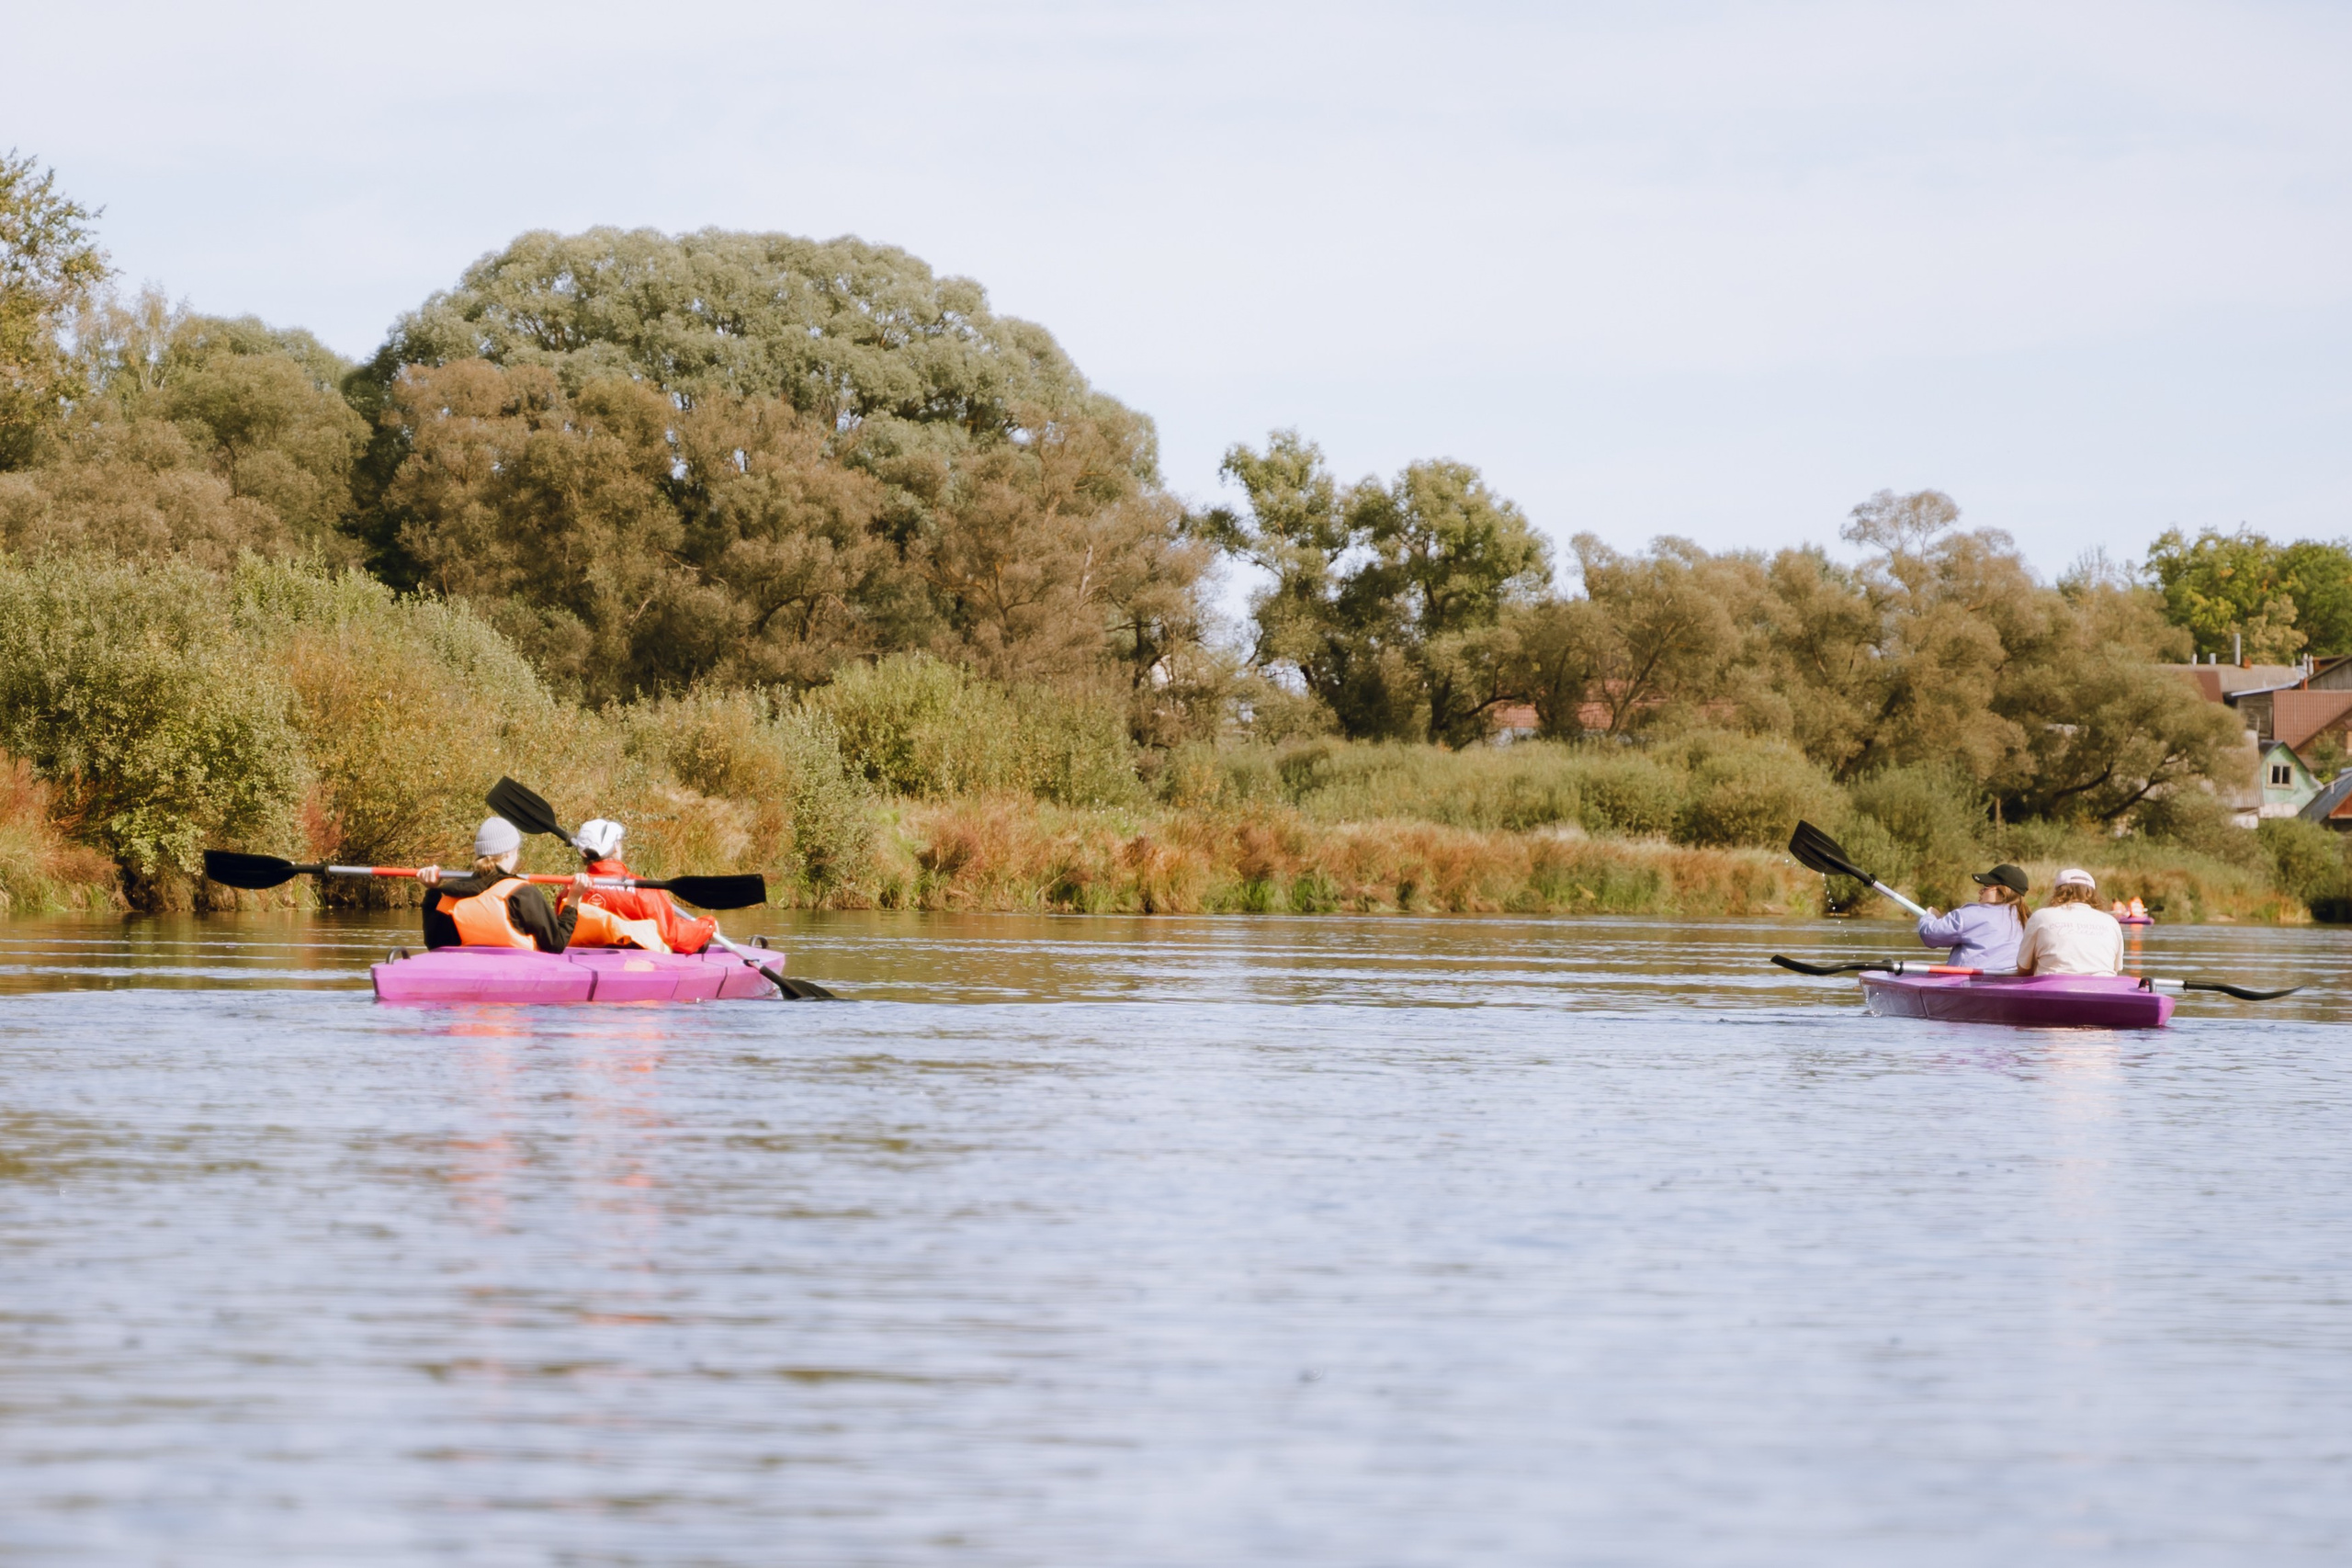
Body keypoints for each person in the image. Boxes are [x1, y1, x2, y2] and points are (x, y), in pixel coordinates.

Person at [416, 817, 587, 953]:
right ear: (510, 852)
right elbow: (556, 944)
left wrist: (432, 891)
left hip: (468, 974)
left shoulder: (452, 894)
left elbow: (435, 944)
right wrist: (573, 899)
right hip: (519, 979)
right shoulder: (522, 893)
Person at [560, 818, 717, 954]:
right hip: (638, 966)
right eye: (619, 842)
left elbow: (562, 930)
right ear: (615, 847)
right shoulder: (645, 890)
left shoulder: (571, 890)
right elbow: (671, 934)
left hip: (584, 955)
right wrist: (707, 926)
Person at [1916, 863, 2030, 970]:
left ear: (2002, 892)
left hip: (1966, 984)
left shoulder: (1971, 915)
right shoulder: (2028, 920)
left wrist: (1930, 915)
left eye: (1986, 887)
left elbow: (1930, 935)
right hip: (2009, 983)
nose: (1980, 891)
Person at [2016, 866, 2125, 976]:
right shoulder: (2111, 922)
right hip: (2102, 988)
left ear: (2058, 892)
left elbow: (2024, 968)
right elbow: (2116, 969)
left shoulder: (2040, 916)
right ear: (2092, 893)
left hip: (2053, 988)